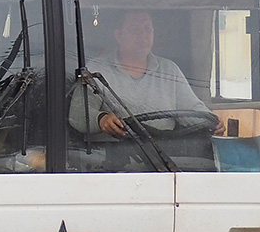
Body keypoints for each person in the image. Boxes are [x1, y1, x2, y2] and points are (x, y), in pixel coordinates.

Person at [69, 10, 224, 137]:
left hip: (164, 157)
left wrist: (210, 121)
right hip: (112, 160)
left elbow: (190, 108)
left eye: (147, 29)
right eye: (134, 30)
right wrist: (101, 119)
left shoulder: (169, 70)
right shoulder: (96, 70)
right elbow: (77, 115)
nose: (142, 35)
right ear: (119, 36)